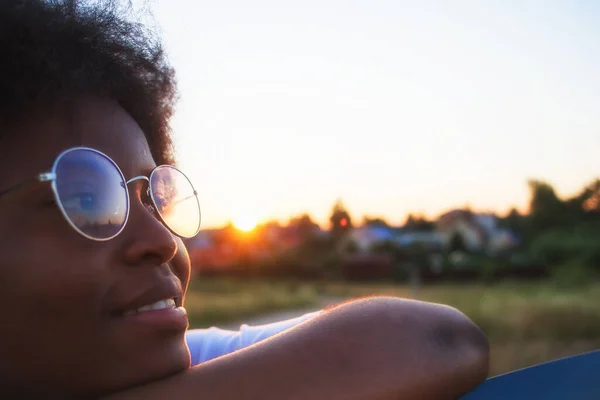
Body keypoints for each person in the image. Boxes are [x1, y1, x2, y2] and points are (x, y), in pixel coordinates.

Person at [0, 1, 489, 399]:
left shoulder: (181, 364)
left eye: (153, 198)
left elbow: (432, 341)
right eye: (86, 199)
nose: (162, 241)